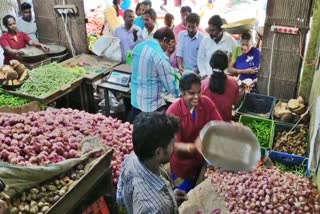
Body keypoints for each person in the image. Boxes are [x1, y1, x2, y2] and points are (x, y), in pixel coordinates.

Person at [117, 112, 187, 214]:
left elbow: (121, 198)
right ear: (158, 152)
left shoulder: (131, 159)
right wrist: (167, 206)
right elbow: (157, 206)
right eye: (172, 143)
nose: (175, 145)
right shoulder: (159, 207)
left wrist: (171, 199)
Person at [167, 72, 222, 192]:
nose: (197, 97)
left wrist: (232, 129)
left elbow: (218, 125)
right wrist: (193, 147)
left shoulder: (206, 103)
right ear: (182, 91)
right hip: (183, 166)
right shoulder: (173, 112)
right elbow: (174, 146)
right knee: (184, 196)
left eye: (199, 92)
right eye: (191, 93)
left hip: (201, 161)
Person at [130, 27, 180, 120]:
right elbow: (170, 85)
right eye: (168, 45)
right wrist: (180, 93)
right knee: (151, 132)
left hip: (135, 100)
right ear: (164, 40)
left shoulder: (138, 47)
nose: (167, 49)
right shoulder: (159, 56)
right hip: (150, 107)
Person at [201, 50, 239, 122]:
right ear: (226, 65)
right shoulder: (234, 83)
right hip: (225, 125)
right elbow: (235, 103)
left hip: (207, 126)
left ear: (211, 64)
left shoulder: (203, 85)